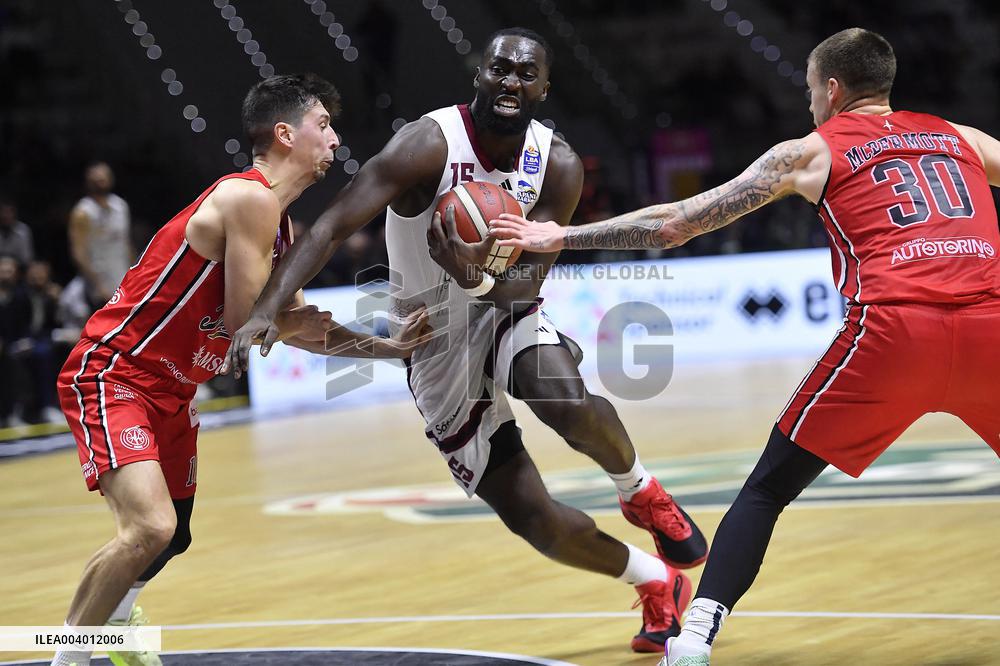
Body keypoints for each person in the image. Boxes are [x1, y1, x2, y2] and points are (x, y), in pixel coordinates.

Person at [489, 28, 1000, 665]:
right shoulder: (961, 137)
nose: (810, 102)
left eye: (811, 89)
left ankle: (695, 639)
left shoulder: (813, 150)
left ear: (832, 89)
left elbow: (673, 224)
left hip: (897, 333)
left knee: (765, 491)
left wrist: (554, 239)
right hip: (990, 330)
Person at [225, 28, 708, 653]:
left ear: (543, 87)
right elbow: (332, 227)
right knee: (534, 520)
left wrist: (475, 278)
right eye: (499, 69)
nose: (510, 82)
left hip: (504, 310)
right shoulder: (427, 145)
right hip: (430, 339)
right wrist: (266, 308)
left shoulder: (557, 165)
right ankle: (656, 581)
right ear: (478, 74)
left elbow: (526, 284)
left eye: (524, 73)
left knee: (557, 393)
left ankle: (639, 489)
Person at [50, 74, 431, 666]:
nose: (334, 139)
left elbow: (298, 329)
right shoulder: (247, 198)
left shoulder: (275, 223)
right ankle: (67, 658)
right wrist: (297, 321)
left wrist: (390, 347)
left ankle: (117, 626)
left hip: (171, 390)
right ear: (285, 134)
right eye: (323, 125)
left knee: (173, 535)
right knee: (147, 528)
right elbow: (248, 319)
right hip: (115, 371)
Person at [67, 162, 134, 308]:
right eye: (96, 179)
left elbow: (126, 243)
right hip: (98, 284)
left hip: (122, 278)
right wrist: (97, 285)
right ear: (89, 182)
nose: (101, 181)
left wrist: (134, 276)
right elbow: (78, 252)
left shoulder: (121, 206)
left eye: (104, 177)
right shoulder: (83, 212)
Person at [0, 195, 34, 266]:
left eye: (9, 212)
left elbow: (26, 258)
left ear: (14, 214)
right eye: (3, 212)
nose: (5, 216)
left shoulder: (23, 230)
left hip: (18, 268)